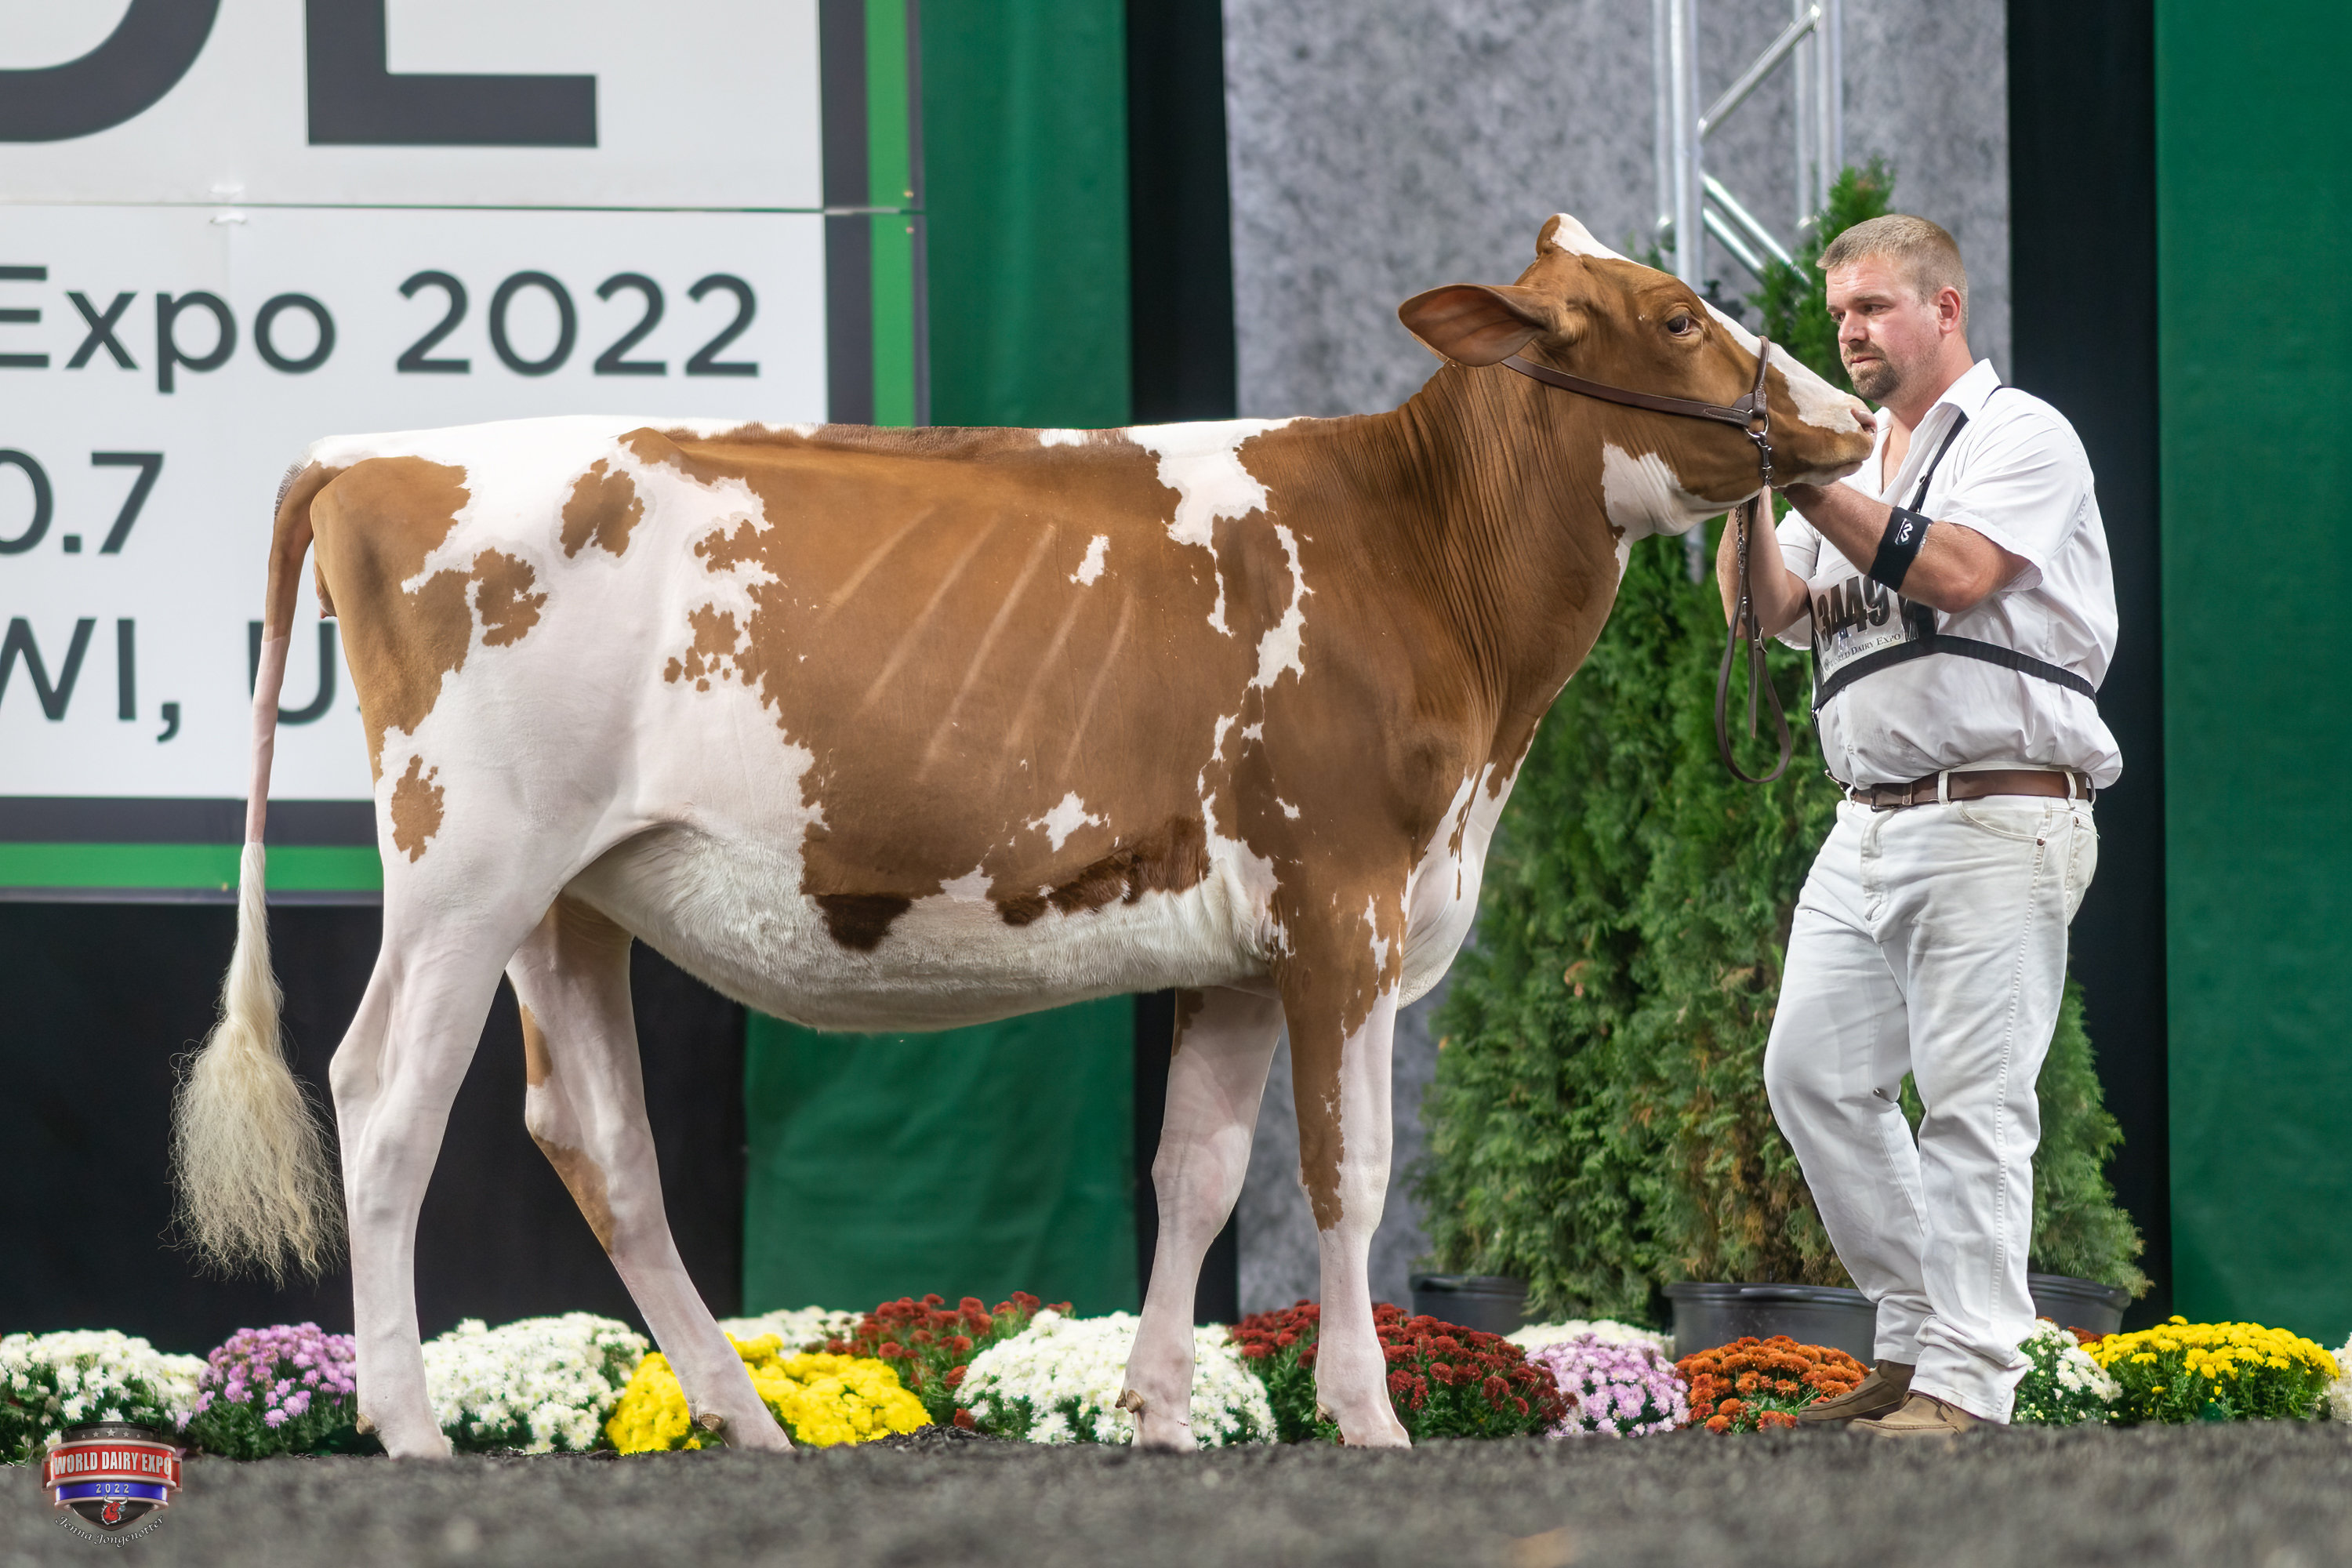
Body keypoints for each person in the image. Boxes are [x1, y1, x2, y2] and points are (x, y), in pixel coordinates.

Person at [1716, 213, 2118, 1439]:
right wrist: (1746, 483)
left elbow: (1955, 575)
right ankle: (1913, 1338)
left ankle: (1970, 1383)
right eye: (1839, 312)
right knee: (1813, 1077)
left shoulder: (2020, 432)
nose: (1849, 331)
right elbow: (1768, 612)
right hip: (1869, 823)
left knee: (1972, 1104)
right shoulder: (1856, 451)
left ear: (1945, 308)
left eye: (1874, 307)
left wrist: (1801, 475)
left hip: (1998, 806)